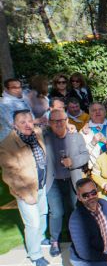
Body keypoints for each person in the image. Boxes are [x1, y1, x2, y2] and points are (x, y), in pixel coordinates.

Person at [0, 110, 49, 266]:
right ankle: (35, 255)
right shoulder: (7, 145)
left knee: (42, 214)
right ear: (15, 125)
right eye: (22, 122)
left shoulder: (37, 133)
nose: (28, 125)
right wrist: (24, 194)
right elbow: (9, 174)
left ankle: (41, 238)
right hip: (26, 190)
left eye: (29, 121)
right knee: (32, 223)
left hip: (41, 184)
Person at [44, 109, 89, 256]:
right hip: (53, 182)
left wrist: (73, 161)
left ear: (67, 121)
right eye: (54, 121)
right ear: (50, 122)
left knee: (72, 210)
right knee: (56, 213)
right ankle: (54, 241)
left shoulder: (76, 137)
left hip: (72, 181)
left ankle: (73, 238)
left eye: (61, 120)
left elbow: (85, 156)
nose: (58, 123)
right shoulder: (45, 138)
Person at [69, 178, 107, 266]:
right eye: (85, 195)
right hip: (85, 259)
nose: (91, 197)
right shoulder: (76, 219)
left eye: (93, 193)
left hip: (104, 250)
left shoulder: (104, 204)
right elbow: (84, 252)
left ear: (97, 191)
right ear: (79, 197)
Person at [81, 103, 107, 171]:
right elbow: (82, 154)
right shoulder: (83, 132)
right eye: (94, 110)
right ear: (89, 114)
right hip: (94, 170)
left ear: (105, 112)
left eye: (100, 109)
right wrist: (92, 143)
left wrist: (106, 141)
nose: (97, 112)